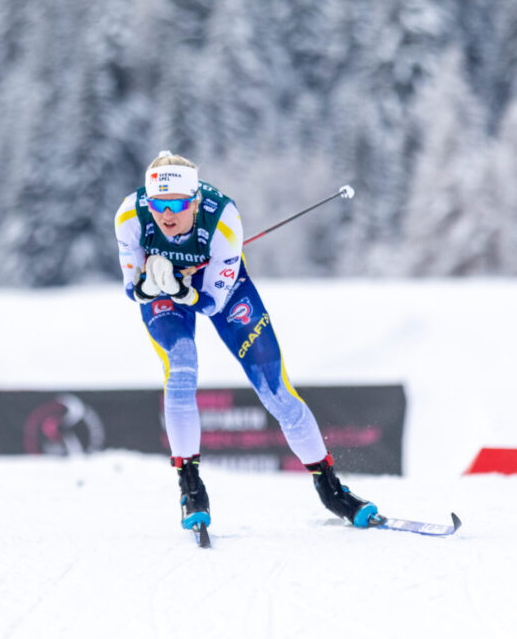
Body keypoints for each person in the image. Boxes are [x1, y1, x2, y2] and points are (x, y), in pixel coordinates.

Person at [114, 151, 380, 531]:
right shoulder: (130, 216)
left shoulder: (223, 220)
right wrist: (150, 284)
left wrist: (182, 289)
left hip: (222, 289)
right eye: (158, 204)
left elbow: (211, 303)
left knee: (277, 393)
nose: (166, 215)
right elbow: (132, 289)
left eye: (177, 204)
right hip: (165, 291)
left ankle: (330, 488)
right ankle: (190, 485)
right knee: (182, 371)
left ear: (195, 201)